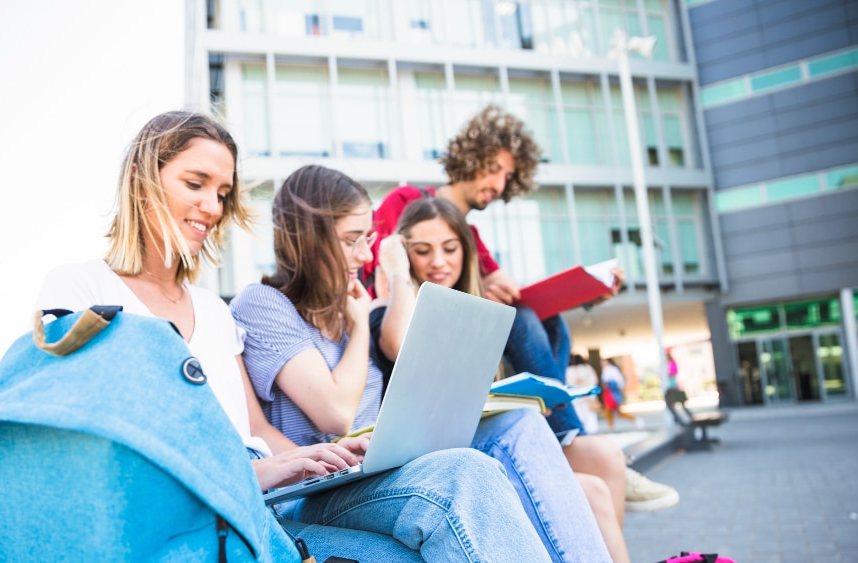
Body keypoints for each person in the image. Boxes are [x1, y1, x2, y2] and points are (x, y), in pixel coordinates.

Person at [34, 111, 550, 561]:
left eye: (222, 192)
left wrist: (316, 462)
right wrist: (250, 474)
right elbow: (98, 444)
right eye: (196, 184)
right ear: (142, 179)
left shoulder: (215, 311)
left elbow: (254, 428)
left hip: (257, 506)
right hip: (191, 517)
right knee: (460, 481)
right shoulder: (80, 286)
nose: (213, 207)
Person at [231, 164, 613, 562]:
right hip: (318, 490)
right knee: (465, 474)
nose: (364, 255)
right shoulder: (265, 304)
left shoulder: (348, 304)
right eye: (351, 240)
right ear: (307, 241)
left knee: (520, 424)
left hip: (379, 466)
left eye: (367, 239)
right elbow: (336, 414)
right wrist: (360, 323)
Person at [364, 104, 679, 517]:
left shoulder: (473, 237)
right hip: (407, 325)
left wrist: (586, 293)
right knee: (527, 319)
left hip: (462, 338)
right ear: (470, 157)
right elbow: (383, 266)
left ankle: (565, 434)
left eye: (508, 176)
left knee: (548, 321)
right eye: (493, 167)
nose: (498, 182)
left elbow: (507, 290)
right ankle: (569, 435)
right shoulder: (407, 200)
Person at [372, 197, 630, 563]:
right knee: (592, 494)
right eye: (422, 251)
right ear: (403, 251)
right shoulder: (393, 304)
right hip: (442, 453)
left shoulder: (479, 305)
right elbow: (397, 344)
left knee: (606, 457)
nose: (439, 262)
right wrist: (396, 270)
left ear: (466, 248)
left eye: (450, 248)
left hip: (496, 432)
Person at [600, 358, 642, 431]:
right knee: (610, 411)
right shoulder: (606, 370)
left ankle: (635, 419)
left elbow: (619, 382)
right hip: (608, 392)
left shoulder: (612, 369)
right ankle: (611, 426)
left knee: (613, 410)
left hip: (612, 392)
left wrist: (612, 387)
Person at [566, 355, 601, 434]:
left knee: (579, 418)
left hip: (575, 398)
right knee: (590, 420)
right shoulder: (588, 368)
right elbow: (594, 381)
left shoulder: (567, 370)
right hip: (588, 397)